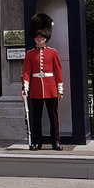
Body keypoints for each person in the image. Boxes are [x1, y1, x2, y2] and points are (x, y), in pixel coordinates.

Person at [21, 13, 64, 151]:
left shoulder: (53, 53)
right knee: (36, 118)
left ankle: (55, 142)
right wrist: (25, 88)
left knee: (53, 117)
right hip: (36, 90)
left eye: (41, 37)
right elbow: (27, 72)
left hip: (51, 88)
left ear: (46, 37)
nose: (39, 39)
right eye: (37, 37)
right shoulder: (29, 54)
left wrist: (60, 89)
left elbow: (58, 71)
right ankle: (36, 142)